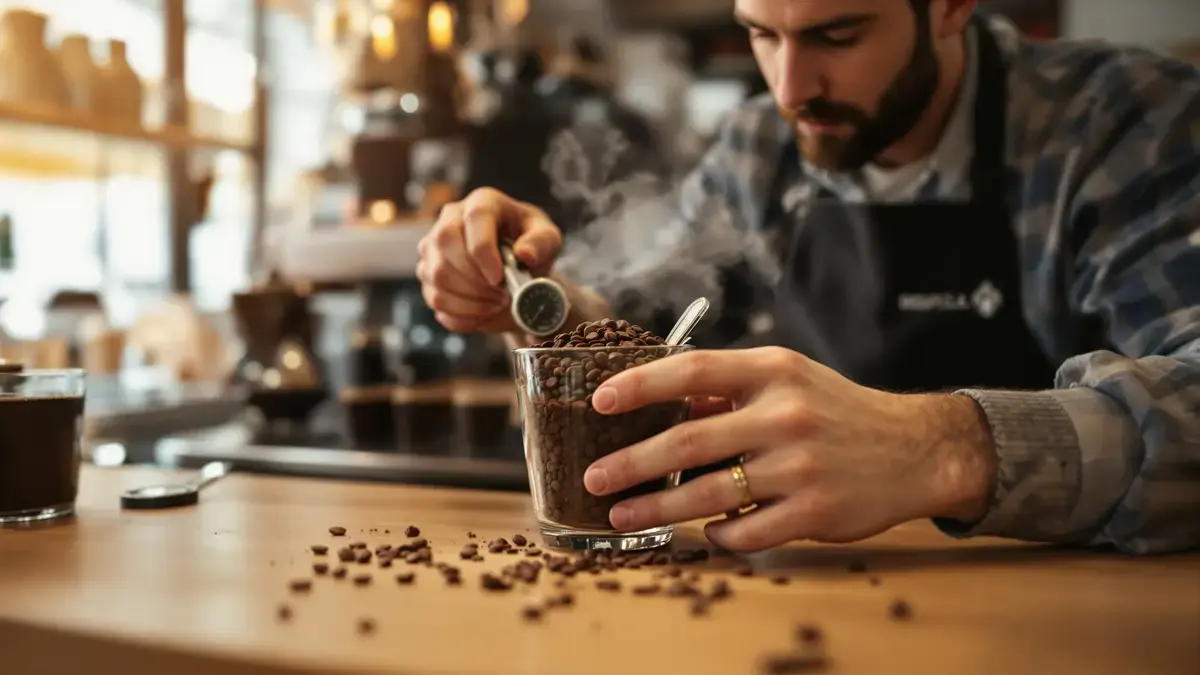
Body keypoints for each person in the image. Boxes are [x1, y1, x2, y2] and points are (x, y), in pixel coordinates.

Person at [416, 0, 1200, 555]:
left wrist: (941, 449)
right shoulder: (761, 149)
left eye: (838, 33)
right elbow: (636, 325)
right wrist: (528, 297)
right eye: (761, 33)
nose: (792, 89)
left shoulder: (1126, 126)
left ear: (953, 6)